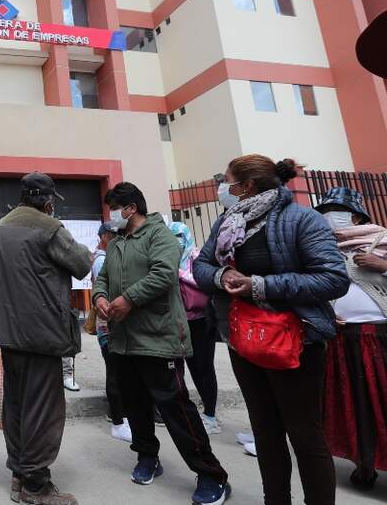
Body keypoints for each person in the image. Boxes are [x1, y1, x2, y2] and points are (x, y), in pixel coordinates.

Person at [193, 156, 350, 505]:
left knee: (305, 434)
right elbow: (201, 265)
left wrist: (260, 285)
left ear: (247, 185)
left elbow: (333, 278)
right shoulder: (228, 221)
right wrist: (222, 275)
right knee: (265, 432)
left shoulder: (301, 219)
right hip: (243, 340)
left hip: (296, 342)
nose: (222, 188)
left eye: (227, 181)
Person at [93, 183, 230, 505]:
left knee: (175, 407)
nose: (111, 215)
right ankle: (147, 456)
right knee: (135, 403)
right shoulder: (117, 242)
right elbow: (103, 277)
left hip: (157, 336)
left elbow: (164, 274)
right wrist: (99, 297)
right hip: (123, 339)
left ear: (130, 208)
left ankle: (211, 474)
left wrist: (128, 298)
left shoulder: (160, 235)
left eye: (114, 208)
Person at [0, 172, 92, 505]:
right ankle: (36, 485)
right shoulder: (49, 228)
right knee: (43, 410)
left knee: (16, 405)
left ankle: (19, 474)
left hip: (8, 334)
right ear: (48, 201)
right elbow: (81, 264)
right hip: (41, 334)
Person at [314, 187, 387, 490]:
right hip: (341, 339)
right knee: (353, 405)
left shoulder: (383, 240)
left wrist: (383, 265)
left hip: (380, 336)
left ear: (356, 216)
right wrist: (325, 315)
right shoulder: (321, 249)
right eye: (324, 212)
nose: (329, 217)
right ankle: (364, 463)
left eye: (336, 210)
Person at [170, 222, 221, 435]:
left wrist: (180, 274)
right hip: (179, 321)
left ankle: (210, 415)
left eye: (180, 236)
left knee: (204, 368)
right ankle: (197, 412)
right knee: (187, 367)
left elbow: (205, 282)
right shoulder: (169, 258)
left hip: (201, 320)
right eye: (173, 237)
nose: (177, 241)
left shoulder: (197, 257)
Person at [86, 223, 131, 442]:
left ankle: (119, 414)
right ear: (104, 236)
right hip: (108, 324)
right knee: (115, 371)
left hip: (116, 322)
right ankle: (118, 419)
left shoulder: (107, 256)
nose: (116, 237)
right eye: (112, 234)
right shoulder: (102, 260)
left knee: (120, 371)